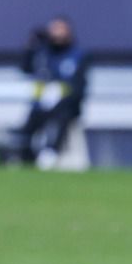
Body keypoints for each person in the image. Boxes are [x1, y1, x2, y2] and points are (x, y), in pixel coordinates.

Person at [18, 16, 88, 167]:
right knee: (28, 128)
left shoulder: (77, 55)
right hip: (41, 106)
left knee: (61, 119)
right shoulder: (42, 53)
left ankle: (50, 153)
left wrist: (60, 96)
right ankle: (26, 157)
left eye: (61, 30)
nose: (57, 34)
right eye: (54, 29)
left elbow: (78, 87)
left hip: (65, 106)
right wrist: (30, 46)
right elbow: (25, 68)